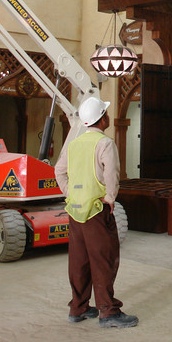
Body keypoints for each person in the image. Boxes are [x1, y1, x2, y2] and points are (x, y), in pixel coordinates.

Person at [54, 97, 138, 328]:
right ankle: (108, 312)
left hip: (75, 210)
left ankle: (78, 308)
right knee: (104, 260)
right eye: (106, 113)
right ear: (102, 118)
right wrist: (110, 198)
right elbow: (111, 174)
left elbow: (59, 171)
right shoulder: (105, 143)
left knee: (79, 261)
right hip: (96, 211)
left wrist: (70, 193)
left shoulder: (74, 144)